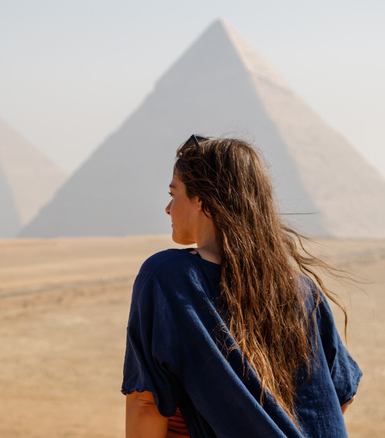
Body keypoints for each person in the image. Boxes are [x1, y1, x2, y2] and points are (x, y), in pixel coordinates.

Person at [122, 135, 362, 437]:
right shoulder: (302, 289)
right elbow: (341, 396)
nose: (169, 208)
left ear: (202, 200)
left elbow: (146, 403)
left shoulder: (169, 277)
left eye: (175, 193)